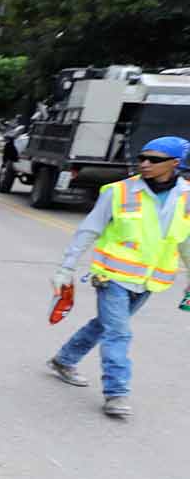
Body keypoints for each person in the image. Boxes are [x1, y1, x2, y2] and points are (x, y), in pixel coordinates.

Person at [47, 136, 190, 417]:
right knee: (119, 332)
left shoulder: (186, 196)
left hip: (149, 280)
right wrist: (67, 267)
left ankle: (64, 360)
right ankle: (117, 392)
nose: (145, 164)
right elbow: (89, 229)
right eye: (142, 158)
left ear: (175, 164)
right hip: (112, 276)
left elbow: (185, 240)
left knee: (104, 325)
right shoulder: (119, 192)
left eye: (155, 159)